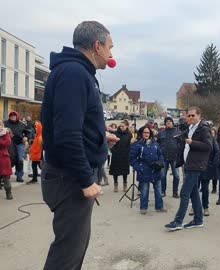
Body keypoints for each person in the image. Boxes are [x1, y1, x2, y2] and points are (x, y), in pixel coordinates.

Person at [40, 21, 119, 270]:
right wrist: (86, 180)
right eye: (110, 47)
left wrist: (100, 134)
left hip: (71, 176)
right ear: (97, 46)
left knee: (74, 248)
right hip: (70, 179)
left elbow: (75, 122)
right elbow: (66, 135)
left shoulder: (79, 72)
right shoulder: (74, 74)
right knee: (67, 255)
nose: (111, 54)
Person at [165, 106, 212, 231]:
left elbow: (208, 146)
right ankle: (198, 220)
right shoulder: (190, 128)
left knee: (184, 193)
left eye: (193, 115)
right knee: (194, 193)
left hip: (196, 165)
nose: (190, 117)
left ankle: (178, 221)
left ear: (199, 116)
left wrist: (192, 143)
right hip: (189, 164)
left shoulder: (204, 129)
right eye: (189, 115)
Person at [129, 126, 166, 214]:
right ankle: (143, 207)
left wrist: (160, 162)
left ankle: (159, 207)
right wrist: (139, 167)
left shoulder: (155, 144)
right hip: (144, 170)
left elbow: (160, 154)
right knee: (144, 190)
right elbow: (132, 158)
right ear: (141, 133)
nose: (146, 134)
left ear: (150, 134)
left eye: (148, 132)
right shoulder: (137, 145)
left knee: (158, 189)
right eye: (144, 132)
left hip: (156, 169)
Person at [158, 116, 182, 198]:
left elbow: (181, 143)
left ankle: (175, 192)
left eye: (170, 121)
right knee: (162, 175)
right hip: (164, 158)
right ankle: (163, 191)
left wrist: (178, 150)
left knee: (176, 176)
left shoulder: (178, 132)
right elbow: (158, 144)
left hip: (175, 157)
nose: (168, 122)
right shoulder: (161, 133)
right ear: (165, 123)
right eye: (167, 121)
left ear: (172, 123)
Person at [3, 111, 30, 182]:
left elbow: (28, 132)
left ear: (17, 116)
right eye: (11, 116)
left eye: (14, 116)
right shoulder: (5, 123)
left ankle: (19, 175)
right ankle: (6, 176)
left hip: (19, 144)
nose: (13, 117)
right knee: (9, 159)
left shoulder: (22, 124)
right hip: (9, 144)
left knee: (20, 160)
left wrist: (26, 137)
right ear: (9, 116)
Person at [197, 130, 219, 216]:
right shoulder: (196, 138)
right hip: (196, 166)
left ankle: (205, 207)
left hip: (207, 167)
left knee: (205, 188)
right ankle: (194, 207)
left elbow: (217, 151)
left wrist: (213, 164)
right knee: (195, 188)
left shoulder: (212, 139)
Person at [109, 120, 132, 192]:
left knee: (124, 171)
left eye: (123, 126)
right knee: (115, 171)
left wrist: (128, 152)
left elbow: (130, 144)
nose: (121, 127)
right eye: (120, 126)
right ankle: (116, 184)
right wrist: (113, 151)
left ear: (127, 126)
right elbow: (111, 143)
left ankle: (125, 184)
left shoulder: (129, 134)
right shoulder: (115, 133)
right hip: (116, 154)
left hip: (125, 155)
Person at [0, 122, 13, 199]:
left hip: (3, 157)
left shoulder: (5, 132)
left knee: (6, 176)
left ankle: (8, 192)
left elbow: (7, 142)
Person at [209, 128, 219, 194]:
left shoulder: (216, 140)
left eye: (213, 133)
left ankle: (214, 188)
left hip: (214, 160)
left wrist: (215, 161)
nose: (212, 135)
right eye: (211, 133)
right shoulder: (208, 140)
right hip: (208, 160)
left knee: (214, 176)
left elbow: (217, 151)